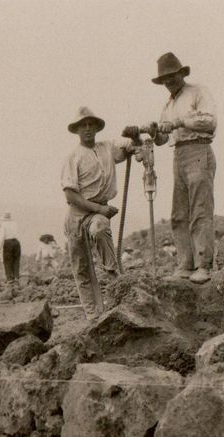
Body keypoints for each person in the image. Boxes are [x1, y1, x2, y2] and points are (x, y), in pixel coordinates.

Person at [150, 52, 218, 284]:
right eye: (165, 78)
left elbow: (210, 122)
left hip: (198, 150)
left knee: (200, 210)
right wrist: (152, 131)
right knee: (179, 214)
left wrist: (179, 122)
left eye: (172, 75)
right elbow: (161, 138)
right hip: (178, 154)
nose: (169, 81)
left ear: (181, 73)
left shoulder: (198, 92)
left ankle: (204, 266)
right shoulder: (168, 103)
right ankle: (186, 264)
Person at [61, 106, 133, 320]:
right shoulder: (73, 157)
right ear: (77, 130)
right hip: (77, 214)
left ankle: (114, 279)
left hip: (98, 211)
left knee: (101, 228)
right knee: (82, 267)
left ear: (96, 128)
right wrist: (100, 209)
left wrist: (133, 139)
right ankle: (94, 315)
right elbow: (70, 195)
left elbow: (125, 150)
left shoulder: (106, 148)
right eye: (83, 125)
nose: (88, 129)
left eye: (91, 124)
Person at [0, 212, 21, 283]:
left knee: (7, 260)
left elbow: (2, 236)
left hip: (8, 242)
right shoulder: (15, 223)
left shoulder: (3, 225)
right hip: (16, 242)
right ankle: (16, 276)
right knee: (16, 260)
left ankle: (9, 278)